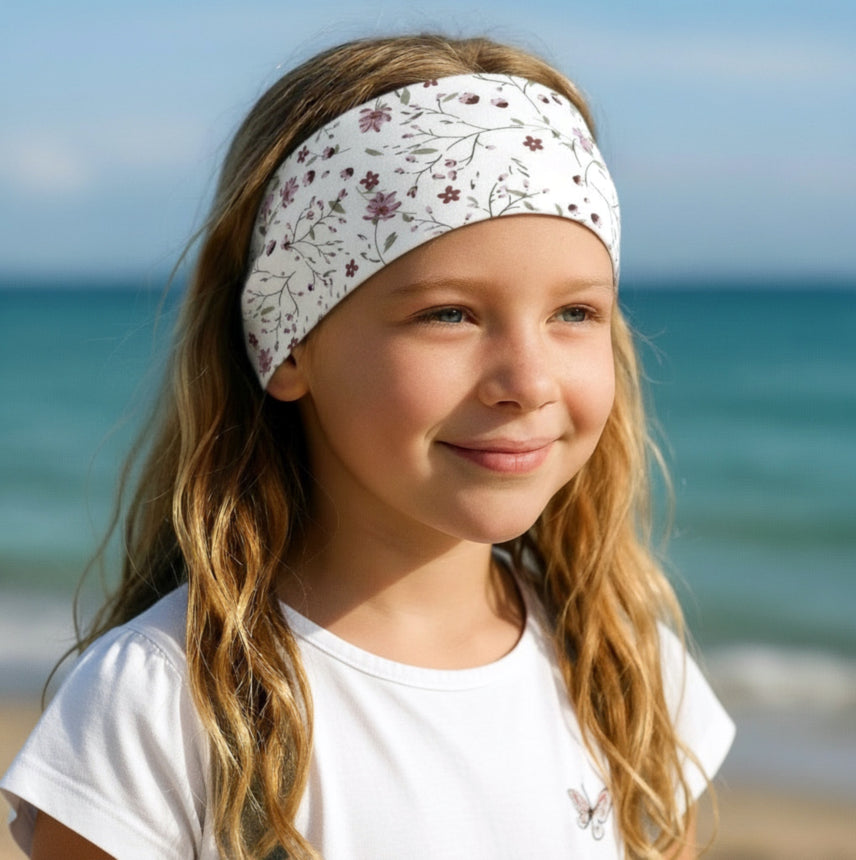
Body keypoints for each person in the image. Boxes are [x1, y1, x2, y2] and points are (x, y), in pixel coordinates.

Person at [1, 34, 734, 860]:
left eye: (575, 313)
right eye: (448, 314)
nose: (527, 382)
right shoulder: (164, 708)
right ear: (289, 346)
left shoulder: (622, 672)